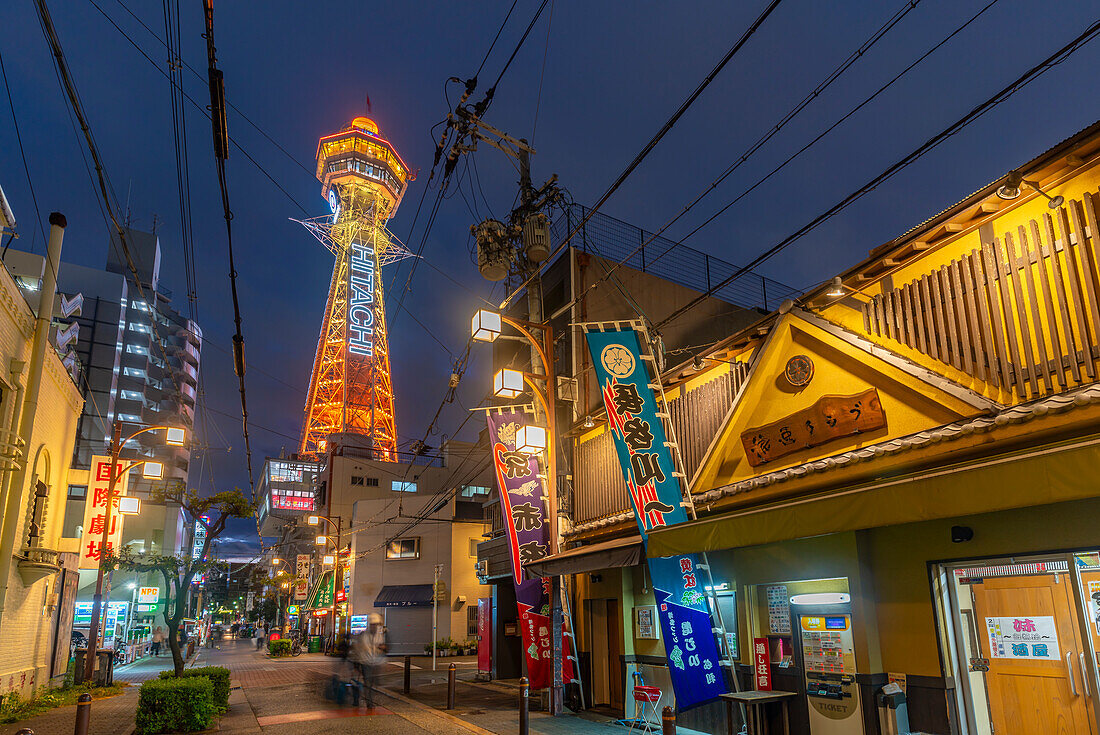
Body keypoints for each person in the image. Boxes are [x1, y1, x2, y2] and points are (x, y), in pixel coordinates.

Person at [350, 614, 387, 708]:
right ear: (369, 625)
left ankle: (366, 700)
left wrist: (383, 648)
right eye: (373, 624)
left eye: (376, 624)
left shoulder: (380, 635)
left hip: (375, 662)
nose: (374, 626)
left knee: (371, 682)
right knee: (367, 682)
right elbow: (357, 649)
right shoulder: (363, 635)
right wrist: (356, 665)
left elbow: (383, 647)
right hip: (364, 661)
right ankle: (368, 702)